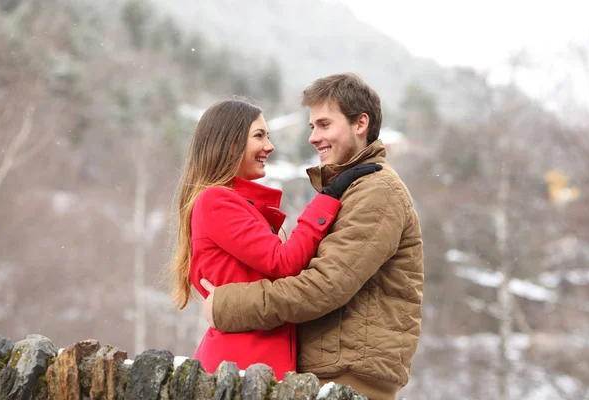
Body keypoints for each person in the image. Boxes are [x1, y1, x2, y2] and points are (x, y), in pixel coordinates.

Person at [200, 74, 424, 400]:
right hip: (329, 374)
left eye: (324, 125)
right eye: (311, 127)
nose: (313, 137)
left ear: (360, 123)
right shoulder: (351, 189)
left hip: (349, 379)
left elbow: (322, 288)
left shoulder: (376, 190)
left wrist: (228, 306)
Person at [168, 99, 381, 381]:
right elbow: (284, 262)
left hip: (257, 361)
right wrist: (328, 198)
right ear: (230, 144)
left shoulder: (232, 204)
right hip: (243, 362)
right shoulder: (215, 201)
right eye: (259, 136)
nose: (269, 146)